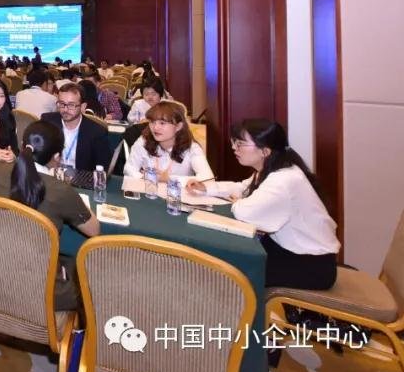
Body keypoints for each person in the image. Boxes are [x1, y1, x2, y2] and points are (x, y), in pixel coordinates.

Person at [187, 120, 339, 289]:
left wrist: (240, 203)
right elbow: (242, 188)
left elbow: (245, 212)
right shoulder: (273, 169)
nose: (234, 148)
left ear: (265, 151)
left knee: (231, 272)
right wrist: (206, 188)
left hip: (310, 264)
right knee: (228, 259)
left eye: (240, 144)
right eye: (234, 142)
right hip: (289, 250)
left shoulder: (283, 179)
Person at [0, 139, 100, 310]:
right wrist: (78, 200)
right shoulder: (60, 189)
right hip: (43, 291)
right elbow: (94, 230)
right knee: (92, 279)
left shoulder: (0, 170)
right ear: (56, 157)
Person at [123, 101, 213, 180]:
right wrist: (143, 177)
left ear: (178, 126)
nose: (155, 128)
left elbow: (207, 178)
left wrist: (169, 179)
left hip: (178, 193)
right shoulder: (144, 141)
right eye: (152, 122)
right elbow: (129, 168)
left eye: (162, 123)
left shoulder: (191, 148)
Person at [40, 83, 112, 171]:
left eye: (71, 105)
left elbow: (102, 168)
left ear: (83, 107)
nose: (65, 109)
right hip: (51, 174)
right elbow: (38, 155)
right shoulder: (47, 122)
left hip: (80, 177)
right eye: (61, 103)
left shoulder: (97, 132)